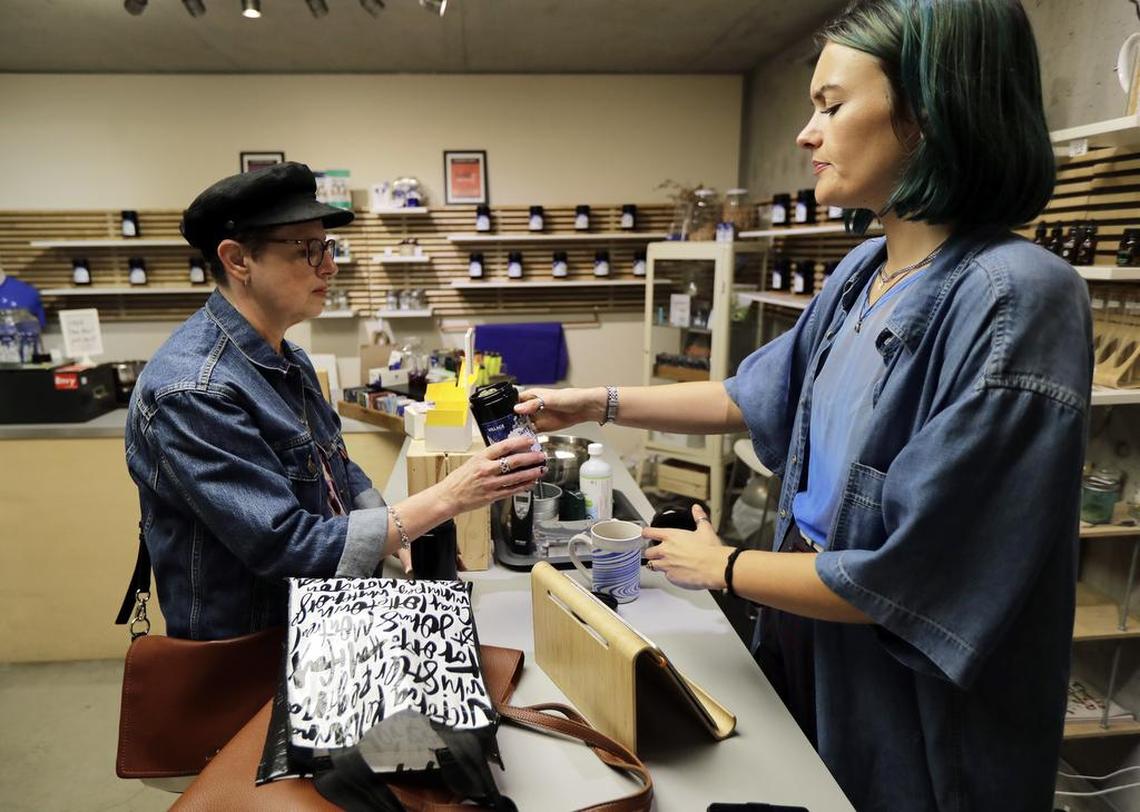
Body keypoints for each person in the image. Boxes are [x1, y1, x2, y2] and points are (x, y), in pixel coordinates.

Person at [516, 1, 1090, 808]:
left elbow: (923, 576)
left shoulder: (1015, 299)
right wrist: (593, 401)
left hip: (912, 695)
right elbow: (752, 395)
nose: (805, 134)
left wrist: (728, 568)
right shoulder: (864, 271)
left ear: (929, 112)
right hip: (811, 639)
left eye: (831, 105)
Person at [125, 163, 545, 641]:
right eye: (307, 250)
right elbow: (286, 545)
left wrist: (397, 534)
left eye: (326, 247)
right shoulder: (194, 391)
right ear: (238, 260)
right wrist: (447, 497)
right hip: (252, 654)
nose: (330, 266)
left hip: (326, 621)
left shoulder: (288, 357)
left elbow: (337, 469)